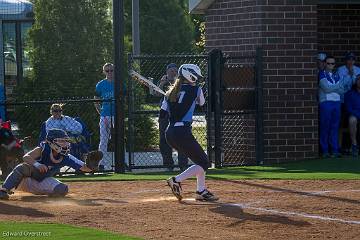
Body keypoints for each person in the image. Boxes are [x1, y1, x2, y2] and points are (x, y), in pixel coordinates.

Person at [164, 64, 218, 202]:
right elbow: (202, 103)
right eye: (196, 77)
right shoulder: (196, 90)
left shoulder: (170, 93)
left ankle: (201, 191)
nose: (197, 80)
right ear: (189, 75)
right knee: (204, 163)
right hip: (182, 132)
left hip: (170, 133)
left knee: (200, 161)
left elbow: (162, 114)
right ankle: (176, 180)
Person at [0, 129, 99, 200]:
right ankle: (4, 190)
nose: (65, 144)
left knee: (62, 189)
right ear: (51, 142)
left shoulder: (66, 157)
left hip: (40, 182)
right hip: (24, 180)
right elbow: (26, 157)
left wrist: (92, 166)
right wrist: (37, 165)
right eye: (61, 141)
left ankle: (41, 194)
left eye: (65, 141)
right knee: (22, 167)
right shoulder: (42, 149)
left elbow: (84, 168)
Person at [151, 63, 188, 171]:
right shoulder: (163, 82)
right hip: (165, 114)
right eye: (171, 71)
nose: (173, 72)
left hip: (178, 113)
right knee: (164, 138)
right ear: (167, 72)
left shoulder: (181, 82)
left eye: (175, 71)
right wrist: (162, 83)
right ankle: (168, 164)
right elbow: (155, 94)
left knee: (181, 137)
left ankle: (183, 164)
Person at [318, 56, 344, 158]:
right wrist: (337, 87)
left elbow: (342, 91)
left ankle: (334, 149)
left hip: (337, 103)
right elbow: (326, 89)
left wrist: (334, 88)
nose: (330, 65)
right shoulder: (321, 74)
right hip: (326, 103)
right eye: (328, 63)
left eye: (332, 63)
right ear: (324, 64)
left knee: (334, 127)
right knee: (325, 126)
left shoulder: (337, 75)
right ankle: (325, 150)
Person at [94, 63, 115, 170]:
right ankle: (101, 164)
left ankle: (123, 162)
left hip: (117, 115)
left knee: (120, 139)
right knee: (103, 140)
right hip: (105, 116)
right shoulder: (100, 84)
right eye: (107, 71)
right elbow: (96, 100)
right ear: (104, 72)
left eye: (111, 70)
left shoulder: (119, 83)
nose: (110, 73)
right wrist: (100, 112)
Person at [344, 75, 360, 157]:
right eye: (358, 79)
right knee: (352, 120)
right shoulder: (350, 93)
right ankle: (354, 145)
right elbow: (348, 109)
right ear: (355, 81)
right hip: (354, 115)